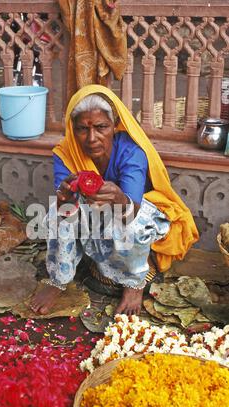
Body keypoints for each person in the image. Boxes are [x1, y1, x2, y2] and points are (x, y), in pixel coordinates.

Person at [30, 84, 199, 316]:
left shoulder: (131, 152)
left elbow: (132, 211)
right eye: (82, 129)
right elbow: (66, 202)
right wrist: (64, 200)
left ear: (114, 125)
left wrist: (119, 198)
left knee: (131, 224)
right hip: (92, 212)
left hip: (137, 211)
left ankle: (133, 283)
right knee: (55, 213)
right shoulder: (66, 152)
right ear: (72, 128)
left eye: (101, 127)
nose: (92, 138)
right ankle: (59, 278)